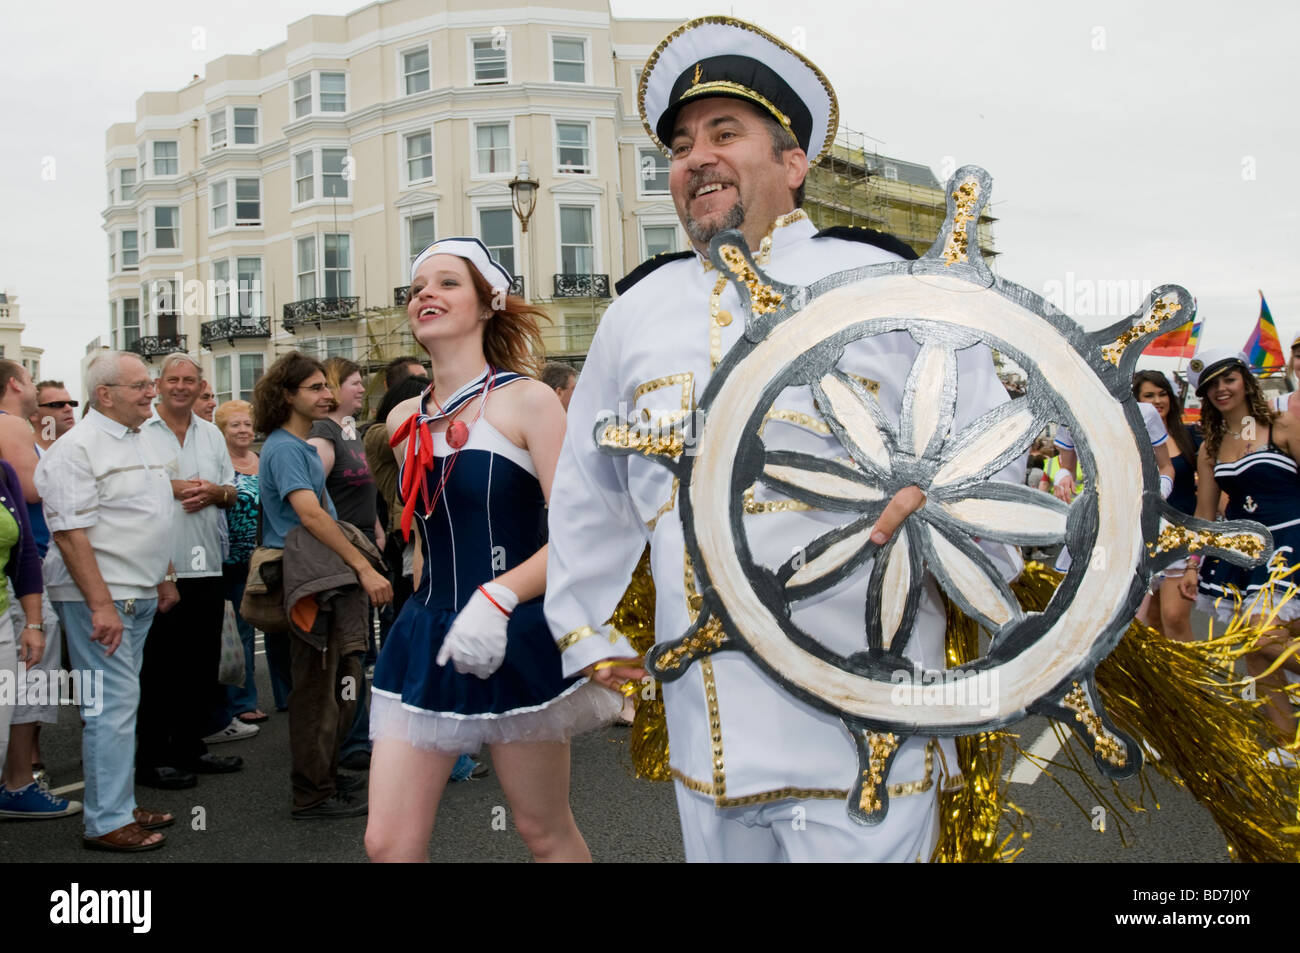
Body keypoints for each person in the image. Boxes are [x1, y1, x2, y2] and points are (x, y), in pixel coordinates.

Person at [544, 17, 1022, 862]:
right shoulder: (635, 314)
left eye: (726, 133)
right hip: (711, 735)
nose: (697, 156)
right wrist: (583, 626)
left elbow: (994, 434)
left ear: (793, 164)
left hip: (867, 723)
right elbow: (592, 488)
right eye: (682, 144)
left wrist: (948, 520)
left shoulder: (880, 281)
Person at [365, 237, 619, 862]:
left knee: (543, 832)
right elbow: (424, 536)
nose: (426, 293)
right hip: (425, 637)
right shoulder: (402, 420)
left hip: (516, 633)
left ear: (488, 304)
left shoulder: (528, 400)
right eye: (419, 285)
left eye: (447, 283)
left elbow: (582, 535)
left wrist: (499, 596)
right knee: (387, 844)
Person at [35, 351, 179, 850]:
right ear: (105, 395)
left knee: (122, 703)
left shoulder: (140, 439)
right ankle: (106, 820)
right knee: (111, 707)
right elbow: (70, 533)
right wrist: (99, 605)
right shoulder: (76, 449)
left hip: (134, 592)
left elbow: (150, 515)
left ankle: (115, 802)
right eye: (141, 385)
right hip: (100, 597)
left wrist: (163, 577)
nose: (152, 391)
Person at [253, 351, 392, 820]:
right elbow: (310, 514)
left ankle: (326, 775)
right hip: (307, 576)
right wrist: (363, 567)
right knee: (316, 687)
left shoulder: (297, 445)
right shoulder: (287, 448)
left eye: (325, 386)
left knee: (339, 680)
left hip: (320, 572)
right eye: (314, 388)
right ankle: (312, 793)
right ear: (286, 395)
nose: (326, 394)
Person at [1182, 350, 1300, 765]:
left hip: (1293, 544)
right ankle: (1291, 746)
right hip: (1246, 554)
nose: (1221, 390)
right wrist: (1193, 564)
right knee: (1254, 648)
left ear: (1244, 380)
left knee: (1262, 636)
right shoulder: (1210, 448)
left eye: (1227, 379)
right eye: (1211, 386)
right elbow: (1204, 515)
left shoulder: (1282, 424)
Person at [137, 354, 246, 791]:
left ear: (201, 386)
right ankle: (153, 757)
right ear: (159, 384)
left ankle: (190, 747)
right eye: (173, 380)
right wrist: (175, 488)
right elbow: (126, 488)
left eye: (190, 381)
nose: (181, 387)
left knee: (201, 664)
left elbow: (232, 491)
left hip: (206, 564)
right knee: (158, 667)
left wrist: (215, 491)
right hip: (157, 566)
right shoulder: (140, 433)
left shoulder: (210, 434)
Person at [309, 357, 383, 772]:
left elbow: (362, 484)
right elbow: (313, 496)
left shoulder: (353, 430)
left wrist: (374, 525)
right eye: (355, 383)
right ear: (335, 387)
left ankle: (358, 732)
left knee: (361, 649)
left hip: (363, 544)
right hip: (342, 555)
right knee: (349, 651)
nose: (361, 389)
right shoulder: (322, 434)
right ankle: (350, 742)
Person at [0, 362, 66, 804]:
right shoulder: (12, 425)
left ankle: (20, 777)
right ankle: (20, 781)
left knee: (28, 683)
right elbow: (33, 490)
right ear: (13, 383)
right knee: (29, 683)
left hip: (28, 571)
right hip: (34, 567)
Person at [0, 457, 77, 819]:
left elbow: (24, 552)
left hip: (4, 618)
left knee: (4, 725)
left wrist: (33, 622)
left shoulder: (4, 471)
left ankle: (16, 785)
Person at [1132, 370, 1201, 642]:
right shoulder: (1131, 439)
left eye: (1163, 394)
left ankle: (1192, 685)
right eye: (1149, 395)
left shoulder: (1191, 436)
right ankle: (1164, 684)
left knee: (1174, 618)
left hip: (1182, 533)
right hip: (1144, 535)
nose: (1157, 400)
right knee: (1150, 623)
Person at [214, 399, 272, 724]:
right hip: (230, 562)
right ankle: (240, 703)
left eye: (247, 424)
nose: (243, 430)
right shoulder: (219, 465)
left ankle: (277, 696)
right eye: (235, 425)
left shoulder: (262, 461)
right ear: (222, 431)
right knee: (237, 635)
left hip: (263, 560)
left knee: (269, 629)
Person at [31, 380, 77, 451]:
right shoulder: (20, 453)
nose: (69, 409)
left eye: (71, 404)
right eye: (58, 405)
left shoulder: (79, 449)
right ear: (34, 413)